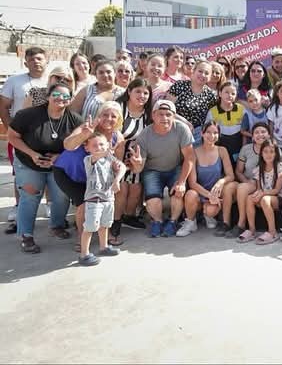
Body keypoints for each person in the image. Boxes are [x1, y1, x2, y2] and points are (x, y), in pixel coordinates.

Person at [8, 82, 83, 253]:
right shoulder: (28, 115)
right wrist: (33, 154)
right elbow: (13, 137)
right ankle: (26, 235)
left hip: (58, 164)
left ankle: (56, 225)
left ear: (70, 100)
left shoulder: (75, 119)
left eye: (65, 96)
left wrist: (59, 157)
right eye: (56, 95)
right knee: (30, 195)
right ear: (48, 97)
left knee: (62, 196)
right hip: (28, 162)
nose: (60, 99)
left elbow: (79, 144)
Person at [55, 101, 125, 251]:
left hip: (93, 179)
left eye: (113, 116)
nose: (109, 118)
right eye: (105, 114)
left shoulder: (118, 138)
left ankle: (104, 239)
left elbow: (117, 163)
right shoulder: (87, 127)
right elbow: (68, 145)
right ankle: (82, 239)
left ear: (118, 119)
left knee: (104, 204)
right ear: (99, 116)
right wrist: (84, 135)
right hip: (68, 172)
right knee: (84, 204)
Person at [129, 100, 195, 238]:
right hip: (153, 170)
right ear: (153, 115)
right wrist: (137, 164)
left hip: (175, 167)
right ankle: (157, 221)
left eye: (168, 114)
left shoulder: (182, 129)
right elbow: (139, 169)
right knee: (153, 199)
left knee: (178, 193)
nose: (164, 118)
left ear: (174, 116)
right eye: (160, 114)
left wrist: (182, 182)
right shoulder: (145, 135)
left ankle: (173, 221)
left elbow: (189, 158)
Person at [1, 46, 49, 232]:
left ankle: (50, 207)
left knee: (47, 170)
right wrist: (11, 129)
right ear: (25, 62)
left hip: (45, 135)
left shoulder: (52, 81)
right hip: (20, 135)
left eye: (39, 58)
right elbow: (4, 106)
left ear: (46, 60)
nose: (36, 62)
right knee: (19, 172)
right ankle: (18, 206)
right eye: (32, 59)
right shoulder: (15, 81)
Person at [177, 121, 237, 238]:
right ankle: (190, 222)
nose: (212, 136)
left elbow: (231, 175)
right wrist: (209, 195)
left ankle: (208, 216)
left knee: (210, 211)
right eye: (208, 132)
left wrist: (221, 182)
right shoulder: (194, 152)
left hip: (215, 193)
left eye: (215, 133)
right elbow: (192, 183)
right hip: (201, 193)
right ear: (202, 134)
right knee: (190, 194)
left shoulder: (222, 150)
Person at [111, 79, 152, 244]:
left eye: (146, 93)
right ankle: (115, 223)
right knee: (122, 189)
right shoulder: (118, 109)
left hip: (136, 158)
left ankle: (129, 217)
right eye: (138, 91)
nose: (142, 96)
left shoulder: (148, 114)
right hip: (114, 155)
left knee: (135, 190)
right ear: (129, 91)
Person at [78, 132, 126, 266]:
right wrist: (107, 151)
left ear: (108, 145)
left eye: (101, 144)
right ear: (87, 148)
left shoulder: (110, 159)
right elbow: (97, 155)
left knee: (105, 224)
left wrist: (117, 179)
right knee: (90, 226)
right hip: (94, 199)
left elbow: (122, 167)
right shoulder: (89, 160)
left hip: (108, 198)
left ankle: (103, 246)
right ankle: (84, 254)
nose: (98, 147)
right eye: (94, 145)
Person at [220, 123, 273, 238]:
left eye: (263, 132)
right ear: (252, 136)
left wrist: (253, 183)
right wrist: (245, 181)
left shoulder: (274, 149)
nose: (260, 135)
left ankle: (241, 223)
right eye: (257, 132)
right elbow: (238, 171)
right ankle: (225, 223)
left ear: (269, 135)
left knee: (242, 187)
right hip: (246, 180)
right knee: (229, 187)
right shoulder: (246, 149)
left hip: (262, 183)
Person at [243, 139, 282, 245]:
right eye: (265, 151)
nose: (268, 155)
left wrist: (262, 194)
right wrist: (258, 194)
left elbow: (277, 190)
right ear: (261, 153)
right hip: (264, 196)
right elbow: (259, 188)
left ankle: (272, 232)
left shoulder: (280, 167)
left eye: (272, 151)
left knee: (264, 199)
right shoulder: (259, 169)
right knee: (250, 198)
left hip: (278, 198)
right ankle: (252, 230)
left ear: (276, 153)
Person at [166, 59, 217, 144]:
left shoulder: (211, 95)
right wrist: (184, 122)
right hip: (175, 129)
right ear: (194, 71)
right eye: (200, 71)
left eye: (207, 73)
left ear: (210, 77)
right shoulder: (179, 85)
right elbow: (167, 109)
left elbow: (210, 119)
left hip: (197, 136)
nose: (203, 75)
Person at [206, 81, 245, 161]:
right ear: (220, 93)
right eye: (226, 92)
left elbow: (245, 129)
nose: (230, 95)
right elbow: (208, 131)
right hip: (220, 143)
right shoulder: (213, 111)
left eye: (233, 93)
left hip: (238, 143)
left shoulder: (241, 109)